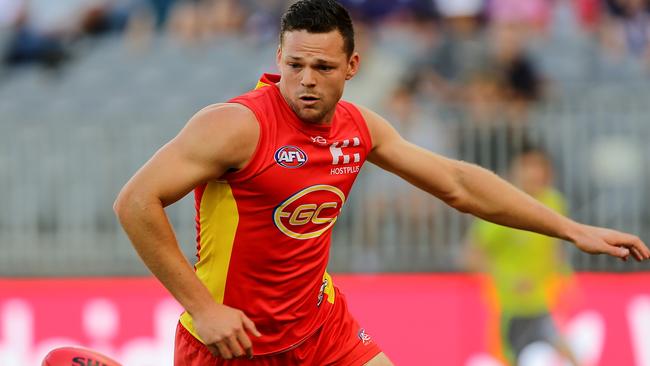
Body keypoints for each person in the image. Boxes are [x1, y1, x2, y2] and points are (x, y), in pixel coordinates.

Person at [113, 1, 650, 365]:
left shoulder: (360, 129)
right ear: (278, 57)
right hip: (229, 339)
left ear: (352, 66)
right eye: (295, 63)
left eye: (322, 66)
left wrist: (569, 228)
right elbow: (136, 202)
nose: (305, 78)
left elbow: (458, 183)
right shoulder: (234, 126)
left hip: (322, 327)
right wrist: (204, 310)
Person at [464, 148, 578, 365]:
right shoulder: (502, 207)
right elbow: (472, 256)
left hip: (542, 301)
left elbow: (554, 247)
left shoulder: (554, 202)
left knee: (569, 354)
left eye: (538, 166)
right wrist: (508, 279)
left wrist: (564, 276)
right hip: (510, 307)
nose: (533, 173)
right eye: (527, 166)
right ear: (515, 170)